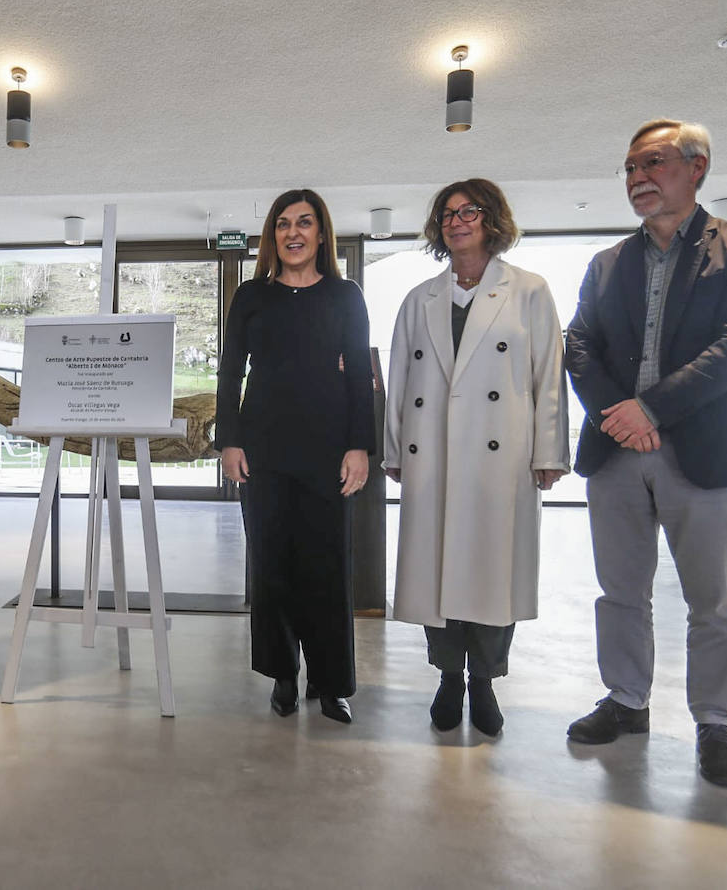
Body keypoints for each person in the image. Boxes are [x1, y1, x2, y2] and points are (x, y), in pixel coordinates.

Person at [564, 119, 727, 788]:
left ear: (697, 167)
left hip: (707, 453)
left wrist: (651, 410)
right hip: (617, 453)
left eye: (652, 163)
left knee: (713, 602)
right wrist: (618, 415)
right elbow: (579, 346)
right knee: (620, 591)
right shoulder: (608, 265)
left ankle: (715, 722)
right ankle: (627, 701)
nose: (637, 178)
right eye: (630, 168)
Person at [384, 180, 570, 736]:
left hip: (500, 456)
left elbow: (548, 377)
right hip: (433, 452)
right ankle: (448, 677)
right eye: (447, 213)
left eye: (470, 211)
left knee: (493, 571)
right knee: (435, 571)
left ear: (492, 220)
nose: (457, 220)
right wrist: (394, 447)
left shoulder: (529, 290)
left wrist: (550, 450)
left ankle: (484, 680)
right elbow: (400, 380)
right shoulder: (421, 297)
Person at [216, 188, 374, 724]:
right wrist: (229, 440)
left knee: (327, 567)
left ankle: (331, 684)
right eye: (283, 224)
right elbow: (229, 372)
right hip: (262, 448)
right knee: (272, 565)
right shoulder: (251, 297)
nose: (293, 233)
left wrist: (360, 445)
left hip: (329, 448)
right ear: (272, 236)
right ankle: (284, 674)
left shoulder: (345, 295)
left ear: (322, 234)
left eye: (304, 223)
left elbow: (359, 374)